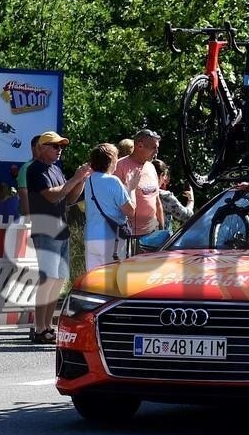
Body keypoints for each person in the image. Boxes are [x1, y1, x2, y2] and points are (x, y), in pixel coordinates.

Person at [27, 131, 91, 344]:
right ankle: (39, 328)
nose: (59, 150)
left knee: (58, 280)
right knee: (47, 280)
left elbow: (69, 198)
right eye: (55, 146)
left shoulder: (55, 168)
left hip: (60, 229)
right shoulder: (35, 169)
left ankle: (48, 326)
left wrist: (80, 180)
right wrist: (75, 178)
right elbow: (52, 194)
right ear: (42, 147)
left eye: (61, 147)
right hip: (45, 229)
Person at [84, 143, 135, 271]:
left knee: (94, 280)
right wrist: (132, 189)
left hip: (91, 238)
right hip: (112, 239)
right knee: (114, 281)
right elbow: (130, 211)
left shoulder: (88, 180)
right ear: (111, 159)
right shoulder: (113, 181)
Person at [114, 128, 164, 241]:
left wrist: (162, 228)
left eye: (157, 148)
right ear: (140, 146)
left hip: (153, 233)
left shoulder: (151, 166)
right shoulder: (120, 166)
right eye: (154, 148)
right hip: (130, 235)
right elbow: (113, 202)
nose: (157, 152)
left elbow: (157, 201)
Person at [151, 158, 194, 230]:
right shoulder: (165, 196)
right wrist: (191, 200)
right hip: (161, 239)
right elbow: (186, 216)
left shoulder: (139, 191)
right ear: (162, 175)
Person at [17, 135, 40, 219]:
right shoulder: (26, 167)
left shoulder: (50, 167)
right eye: (39, 146)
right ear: (33, 148)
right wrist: (28, 216)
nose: (42, 149)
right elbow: (23, 192)